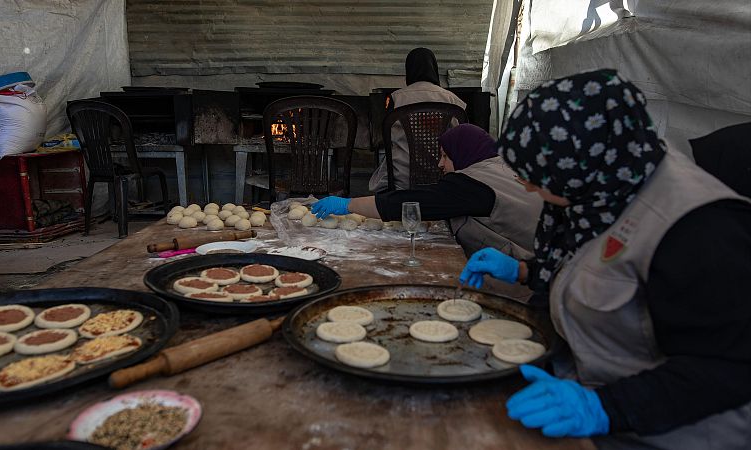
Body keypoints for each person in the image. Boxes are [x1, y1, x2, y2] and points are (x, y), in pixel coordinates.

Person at [459, 69, 751, 449]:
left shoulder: (697, 231)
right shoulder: (599, 189)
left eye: (537, 176)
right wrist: (528, 270)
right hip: (593, 388)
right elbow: (597, 271)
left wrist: (602, 407)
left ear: (576, 164)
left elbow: (728, 368)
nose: (528, 186)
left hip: (670, 428)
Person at [313, 124, 543, 260]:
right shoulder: (502, 166)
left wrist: (347, 205)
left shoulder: (474, 184)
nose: (440, 164)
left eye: (445, 156)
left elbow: (412, 204)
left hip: (527, 277)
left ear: (463, 152)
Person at [368, 47, 467, 192]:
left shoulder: (396, 98)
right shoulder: (453, 100)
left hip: (402, 180)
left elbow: (385, 137)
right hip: (445, 178)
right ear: (434, 68)